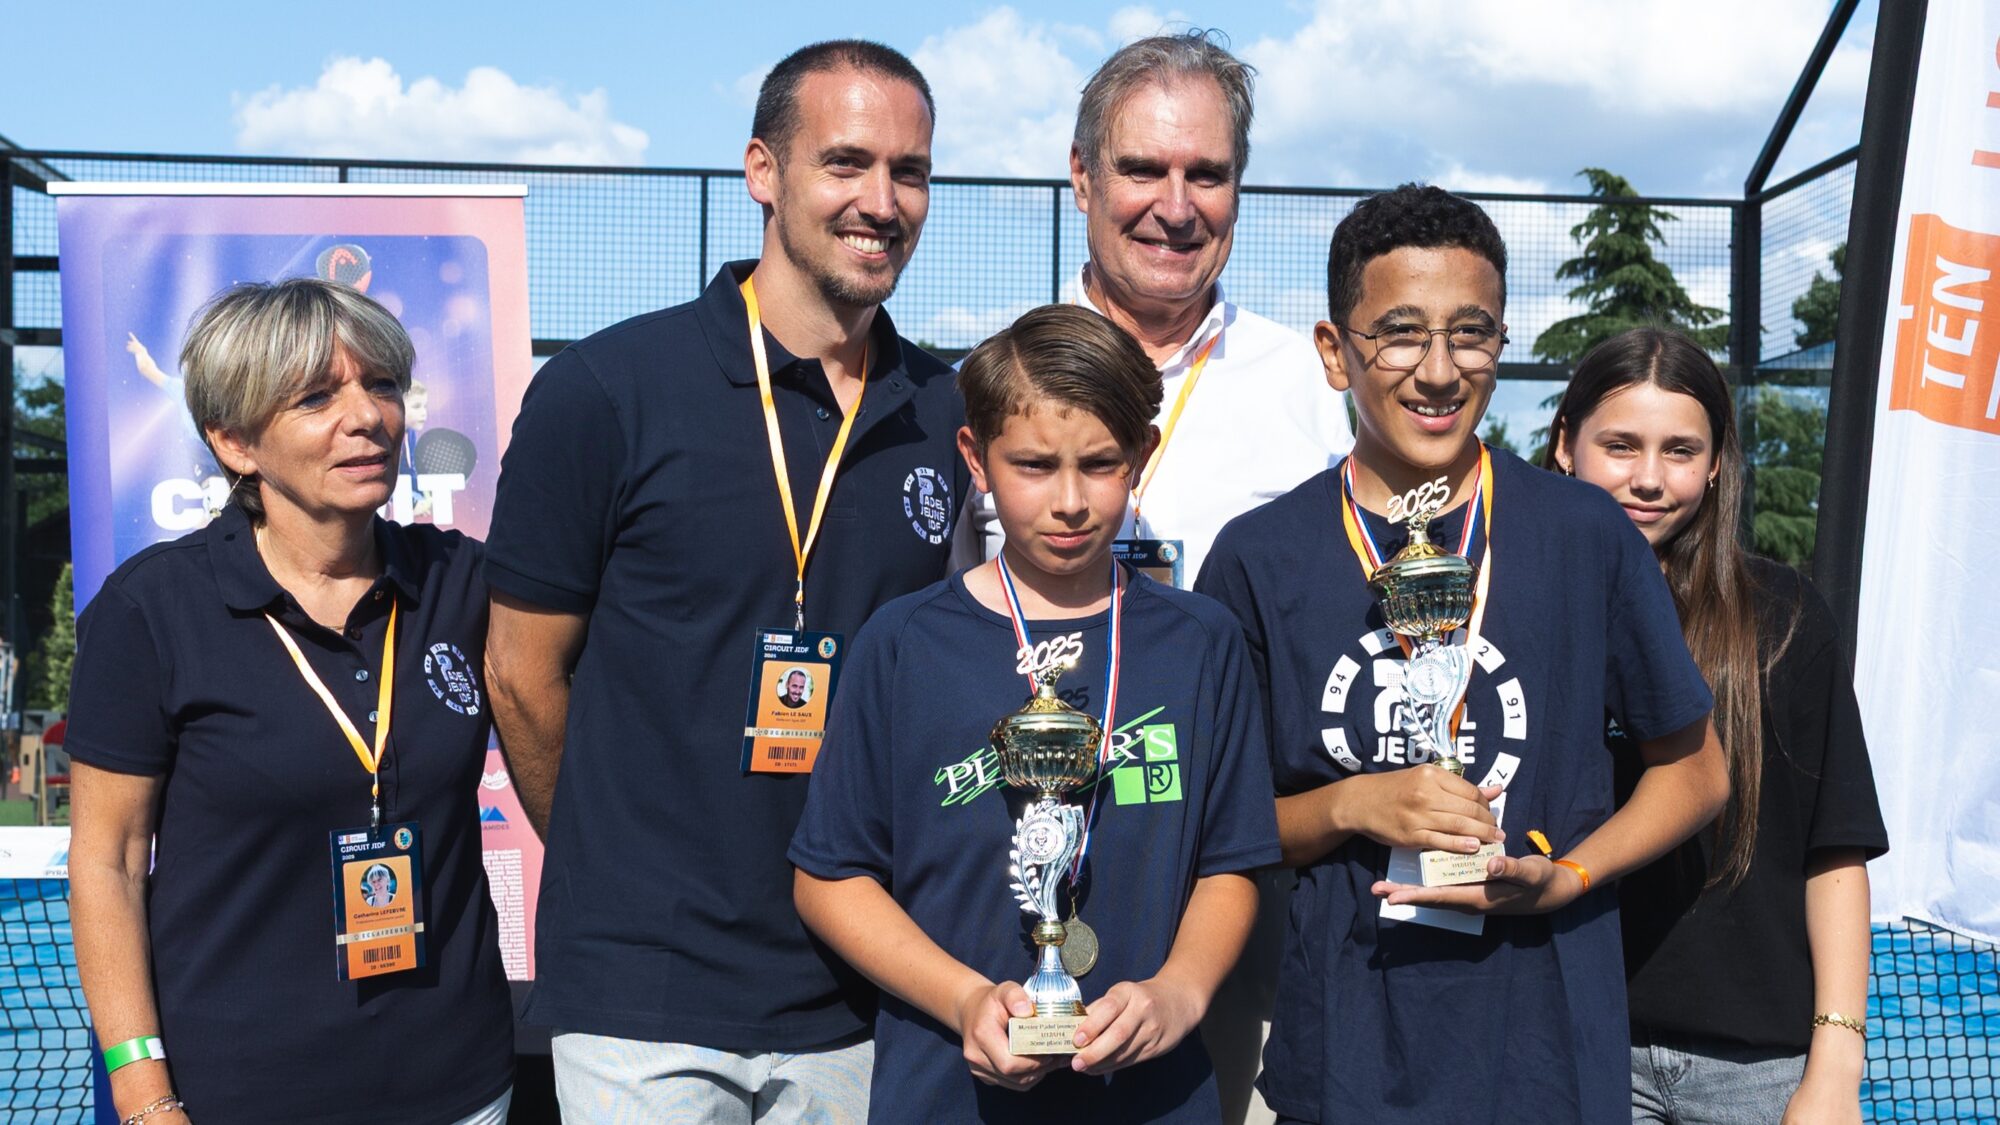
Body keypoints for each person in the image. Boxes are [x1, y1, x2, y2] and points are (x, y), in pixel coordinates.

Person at [483, 39, 968, 1121]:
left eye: (910, 171)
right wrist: (624, 865)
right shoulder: (607, 391)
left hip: (856, 992)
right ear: (763, 171)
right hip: (642, 996)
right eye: (845, 163)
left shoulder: (948, 412)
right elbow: (518, 676)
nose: (880, 201)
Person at [1196, 184, 1730, 1124]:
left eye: (1470, 333)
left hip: (1544, 1053)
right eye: (1398, 333)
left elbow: (1694, 773)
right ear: (1334, 353)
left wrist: (1567, 876)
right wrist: (1357, 802)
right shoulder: (1259, 555)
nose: (1438, 371)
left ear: (1503, 341)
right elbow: (1218, 820)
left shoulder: (1585, 533)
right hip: (1343, 1051)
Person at [792, 303, 1279, 1122]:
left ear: (1141, 457)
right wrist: (964, 999)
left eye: (1099, 464)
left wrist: (1179, 991)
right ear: (975, 459)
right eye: (1033, 465)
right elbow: (829, 876)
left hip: (1151, 1097)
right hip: (946, 1092)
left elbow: (1233, 861)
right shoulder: (904, 643)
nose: (1069, 501)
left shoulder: (1202, 641)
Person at [67, 278, 512, 1125]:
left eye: (381, 384)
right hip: (238, 1094)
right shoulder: (151, 611)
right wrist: (143, 1091)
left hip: (460, 1088)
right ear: (235, 442)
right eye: (316, 396)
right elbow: (108, 863)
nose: (367, 416)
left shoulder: (463, 582)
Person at [1545, 327, 1887, 1125]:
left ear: (1718, 461)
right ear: (1567, 445)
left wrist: (1835, 1063)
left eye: (1680, 450)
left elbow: (1834, 849)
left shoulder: (1785, 617)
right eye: (1621, 446)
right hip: (1578, 1047)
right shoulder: (1523, 611)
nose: (1650, 479)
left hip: (1756, 1075)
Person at [965, 31, 1351, 585]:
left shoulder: (1305, 379)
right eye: (1143, 170)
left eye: (1206, 175)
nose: (1176, 209)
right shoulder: (987, 385)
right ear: (1082, 177)